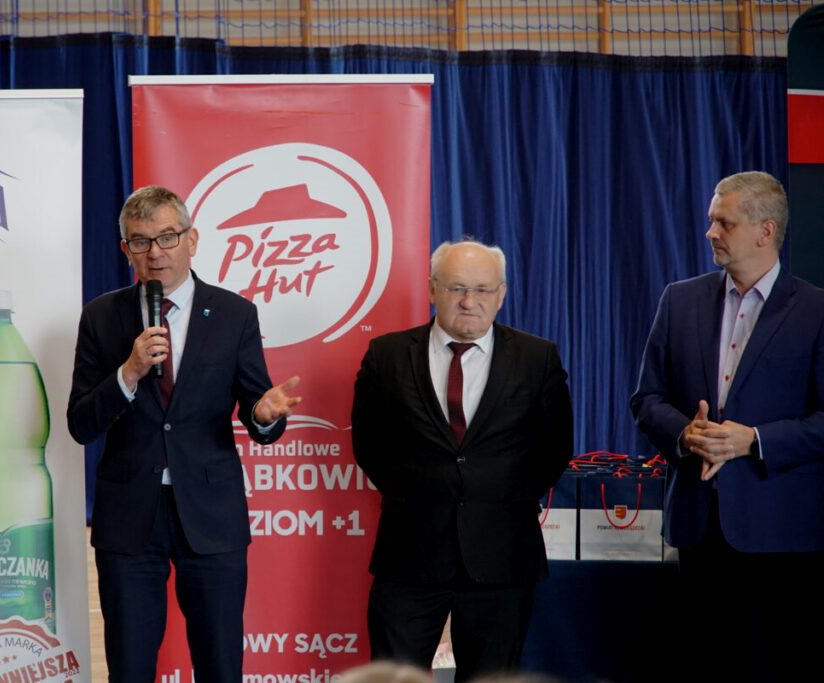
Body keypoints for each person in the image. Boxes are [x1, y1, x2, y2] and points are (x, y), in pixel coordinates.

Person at [67, 186, 300, 683]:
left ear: (191, 240)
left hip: (211, 514)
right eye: (140, 241)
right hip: (130, 518)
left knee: (220, 666)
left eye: (167, 237)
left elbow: (259, 409)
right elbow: (81, 424)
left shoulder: (234, 314)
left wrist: (263, 414)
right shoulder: (101, 316)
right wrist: (128, 373)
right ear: (125, 250)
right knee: (130, 667)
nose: (155, 252)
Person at [631, 171, 824, 682]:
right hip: (699, 529)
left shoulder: (816, 311)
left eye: (725, 222)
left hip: (780, 536)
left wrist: (753, 440)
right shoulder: (679, 300)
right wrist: (685, 434)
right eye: (711, 220)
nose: (710, 232)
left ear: (765, 231)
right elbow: (646, 399)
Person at [351, 240, 573, 681]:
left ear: (501, 294)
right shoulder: (387, 355)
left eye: (482, 290)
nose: (469, 302)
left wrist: (500, 499)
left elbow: (554, 449)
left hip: (502, 557)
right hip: (410, 554)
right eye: (456, 288)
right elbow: (369, 446)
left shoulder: (537, 358)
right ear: (432, 289)